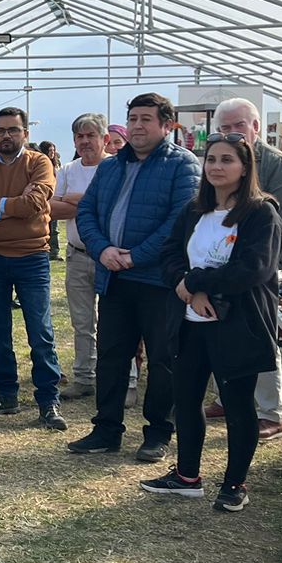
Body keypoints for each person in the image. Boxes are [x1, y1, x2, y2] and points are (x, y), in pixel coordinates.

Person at [141, 134, 282, 512]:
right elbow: (170, 255)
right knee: (187, 400)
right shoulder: (193, 210)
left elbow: (253, 269)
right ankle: (187, 476)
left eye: (227, 160)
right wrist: (186, 287)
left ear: (244, 167)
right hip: (189, 322)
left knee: (238, 406)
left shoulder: (260, 212)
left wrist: (196, 283)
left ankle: (235, 483)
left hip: (236, 324)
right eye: (211, 159)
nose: (217, 167)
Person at [70, 93, 201, 461]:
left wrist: (134, 257)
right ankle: (106, 429)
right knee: (112, 355)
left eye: (146, 119)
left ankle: (158, 432)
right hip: (115, 279)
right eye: (133, 119)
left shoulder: (183, 165)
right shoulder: (111, 167)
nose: (138, 126)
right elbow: (88, 213)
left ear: (167, 125)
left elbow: (180, 221)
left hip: (159, 281)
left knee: (163, 359)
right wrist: (102, 250)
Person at [208, 98, 282, 442]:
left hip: (259, 269)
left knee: (260, 336)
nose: (232, 133)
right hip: (219, 265)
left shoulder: (277, 165)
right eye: (225, 128)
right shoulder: (217, 159)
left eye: (239, 126)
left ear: (256, 128)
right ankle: (225, 398)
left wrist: (267, 268)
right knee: (218, 331)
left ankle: (270, 413)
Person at [0, 108, 64, 427]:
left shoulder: (39, 163)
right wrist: (14, 206)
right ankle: (6, 395)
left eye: (13, 130)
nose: (6, 135)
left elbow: (36, 204)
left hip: (32, 256)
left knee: (40, 330)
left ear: (25, 134)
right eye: (0, 131)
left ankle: (48, 401)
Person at [49, 113, 107, 400]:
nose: (85, 141)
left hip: (109, 256)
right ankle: (84, 377)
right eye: (79, 136)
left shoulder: (113, 167)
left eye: (90, 136)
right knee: (82, 322)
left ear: (103, 139)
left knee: (114, 321)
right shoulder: (68, 170)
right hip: (77, 254)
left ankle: (121, 380)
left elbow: (109, 208)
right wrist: (90, 202)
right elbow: (52, 210)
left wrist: (72, 199)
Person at [37, 140, 64, 261]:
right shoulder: (40, 164)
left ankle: (54, 252)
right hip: (45, 199)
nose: (52, 153)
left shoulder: (56, 164)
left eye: (53, 150)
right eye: (50, 150)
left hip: (55, 198)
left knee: (54, 228)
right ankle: (45, 250)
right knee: (45, 226)